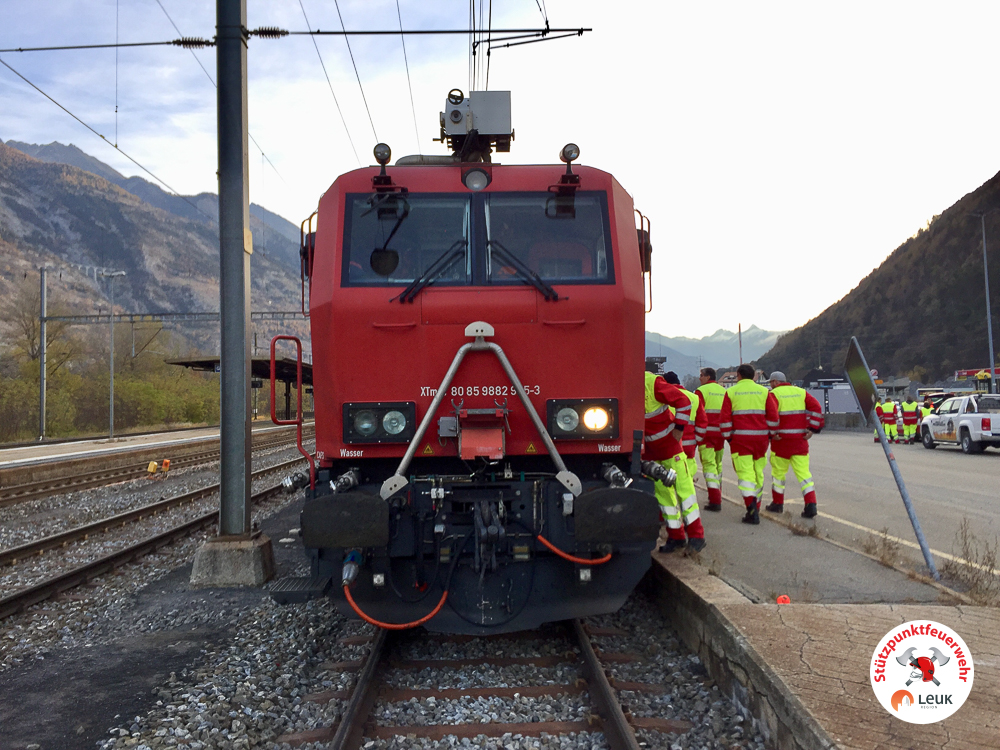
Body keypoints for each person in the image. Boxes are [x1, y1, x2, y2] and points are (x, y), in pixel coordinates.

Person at [644, 365, 706, 553]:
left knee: (684, 493)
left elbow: (683, 401)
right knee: (664, 498)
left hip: (670, 450)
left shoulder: (652, 382)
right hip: (651, 453)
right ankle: (676, 536)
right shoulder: (626, 384)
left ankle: (697, 536)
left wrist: (679, 428)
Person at [720, 363, 779, 524]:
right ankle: (756, 506)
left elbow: (725, 420)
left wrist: (728, 438)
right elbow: (773, 418)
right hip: (761, 441)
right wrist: (770, 435)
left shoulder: (731, 392)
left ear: (738, 375)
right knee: (758, 473)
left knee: (745, 474)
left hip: (740, 441)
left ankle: (751, 509)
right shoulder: (764, 392)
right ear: (754, 376)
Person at [764, 372, 825, 519]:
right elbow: (817, 408)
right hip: (800, 442)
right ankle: (811, 504)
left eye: (771, 382)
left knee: (778, 475)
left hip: (781, 442)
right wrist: (812, 428)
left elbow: (771, 416)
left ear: (775, 382)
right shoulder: (801, 392)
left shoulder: (773, 395)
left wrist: (772, 433)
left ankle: (777, 503)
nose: (770, 385)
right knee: (804, 475)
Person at [664, 371, 707, 489]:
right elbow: (702, 423)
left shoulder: (664, 397)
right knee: (687, 481)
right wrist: (696, 441)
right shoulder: (694, 397)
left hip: (670, 445)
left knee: (669, 481)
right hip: (689, 446)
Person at [696, 367, 726, 511]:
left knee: (708, 465)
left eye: (701, 375)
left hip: (706, 435)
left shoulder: (701, 391)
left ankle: (715, 500)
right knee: (718, 465)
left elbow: (697, 412)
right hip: (721, 435)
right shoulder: (724, 391)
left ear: (708, 377)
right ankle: (718, 492)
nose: (699, 378)